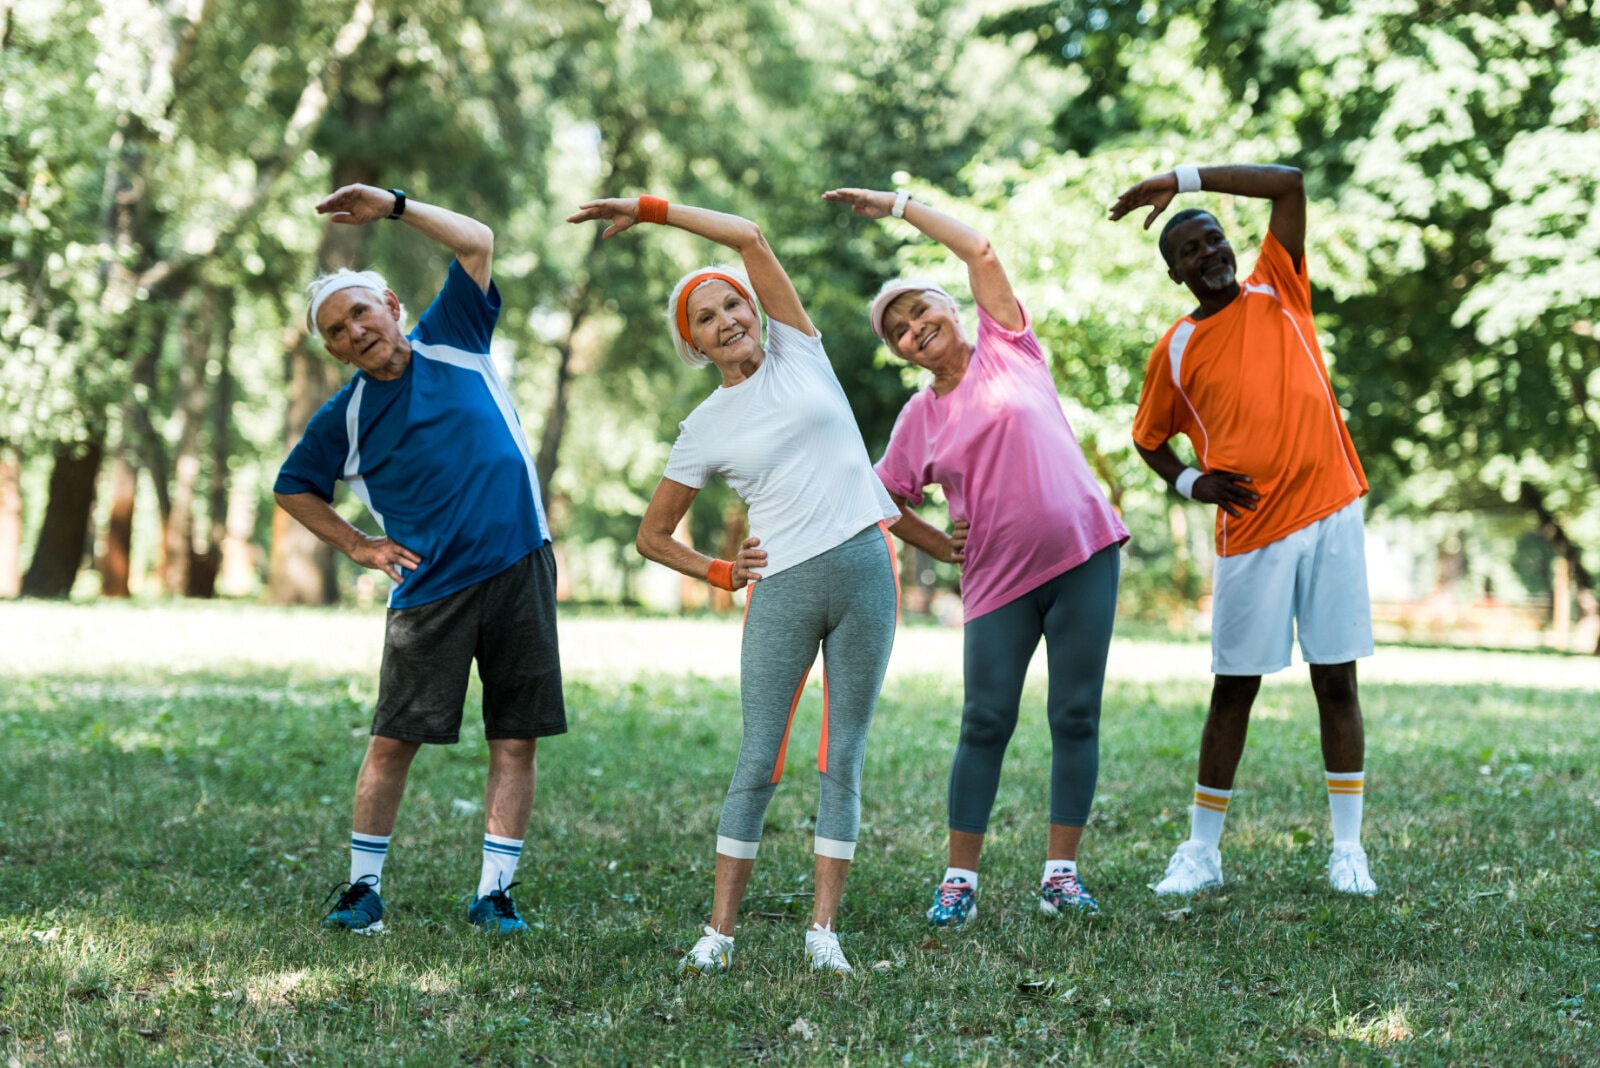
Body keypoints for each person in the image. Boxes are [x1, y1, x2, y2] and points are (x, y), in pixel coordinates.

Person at [566, 194, 901, 977]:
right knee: (759, 758)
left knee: (842, 755)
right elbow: (651, 536)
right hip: (781, 584)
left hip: (864, 567)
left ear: (753, 309)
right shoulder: (704, 426)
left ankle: (824, 932)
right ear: (694, 343)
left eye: (732, 304)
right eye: (706, 317)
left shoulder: (801, 352)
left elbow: (750, 234)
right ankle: (719, 933)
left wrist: (653, 210)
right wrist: (718, 572)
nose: (727, 319)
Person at [825, 186, 1129, 927]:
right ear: (899, 353)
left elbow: (979, 250)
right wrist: (939, 544)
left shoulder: (1010, 346)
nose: (912, 328)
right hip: (997, 583)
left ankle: (1062, 875)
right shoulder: (918, 419)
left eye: (918, 310)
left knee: (1076, 715)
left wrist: (900, 206)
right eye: (897, 330)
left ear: (951, 309)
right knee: (985, 721)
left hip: (1085, 554)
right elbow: (882, 498)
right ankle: (960, 878)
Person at [275, 184, 565, 935]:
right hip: (429, 593)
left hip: (520, 567)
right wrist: (360, 546)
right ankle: (361, 889)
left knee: (515, 736)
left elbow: (477, 239)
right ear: (333, 349)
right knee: (394, 740)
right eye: (337, 331)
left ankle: (494, 893)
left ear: (392, 305)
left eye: (361, 313)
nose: (355, 332)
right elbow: (294, 488)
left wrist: (394, 206)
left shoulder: (455, 338)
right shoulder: (345, 415)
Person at [1109, 162, 1377, 896]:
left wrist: (1180, 180)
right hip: (1253, 532)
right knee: (1234, 690)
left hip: (1330, 512)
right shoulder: (1176, 348)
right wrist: (1192, 482)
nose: (1209, 253)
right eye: (1190, 250)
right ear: (1175, 273)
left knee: (1337, 682)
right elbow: (1148, 438)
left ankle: (1348, 850)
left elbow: (1290, 182)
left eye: (1214, 237)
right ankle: (1201, 851)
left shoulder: (1279, 287)